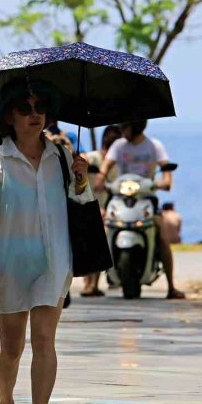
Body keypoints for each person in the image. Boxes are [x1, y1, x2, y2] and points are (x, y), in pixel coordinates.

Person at [0, 79, 92, 404]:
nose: (34, 115)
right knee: (11, 349)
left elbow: (81, 209)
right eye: (25, 108)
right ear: (9, 117)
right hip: (8, 263)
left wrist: (82, 181)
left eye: (40, 108)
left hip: (53, 261)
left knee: (44, 341)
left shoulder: (64, 159)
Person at [95, 121, 185, 299]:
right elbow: (105, 167)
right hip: (120, 197)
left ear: (136, 126)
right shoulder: (118, 145)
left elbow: (165, 167)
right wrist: (100, 180)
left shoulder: (154, 146)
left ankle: (171, 286)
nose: (121, 131)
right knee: (104, 231)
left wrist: (166, 180)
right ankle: (93, 284)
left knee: (162, 235)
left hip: (146, 197)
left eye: (124, 127)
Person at [79, 125, 121, 297]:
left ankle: (93, 283)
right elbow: (82, 160)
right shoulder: (94, 158)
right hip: (86, 206)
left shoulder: (116, 166)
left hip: (105, 208)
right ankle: (89, 283)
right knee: (95, 237)